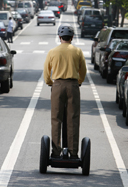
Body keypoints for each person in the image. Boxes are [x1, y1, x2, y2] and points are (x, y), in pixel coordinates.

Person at [43, 24, 86, 159]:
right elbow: (83, 71)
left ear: (60, 37)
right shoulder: (77, 51)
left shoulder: (52, 52)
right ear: (72, 37)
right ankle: (73, 152)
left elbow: (46, 72)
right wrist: (78, 82)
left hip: (57, 85)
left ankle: (56, 152)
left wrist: (51, 84)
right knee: (73, 118)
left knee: (56, 118)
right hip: (73, 85)